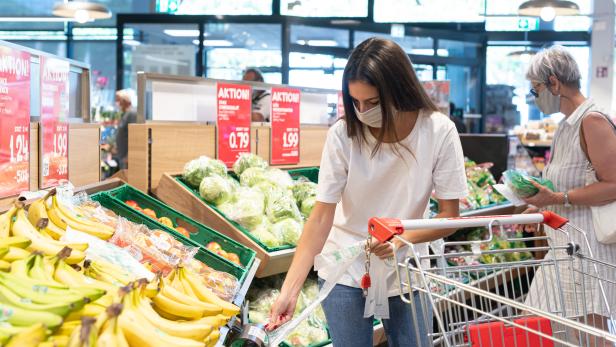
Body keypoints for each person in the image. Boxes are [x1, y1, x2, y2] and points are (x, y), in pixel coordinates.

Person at [267, 38, 468, 346]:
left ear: (398, 90)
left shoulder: (438, 131)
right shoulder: (343, 134)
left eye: (372, 103)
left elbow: (449, 216)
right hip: (346, 268)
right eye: (355, 102)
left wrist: (402, 238)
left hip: (406, 270)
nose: (362, 111)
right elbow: (321, 218)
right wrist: (289, 291)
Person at [522, 46, 616, 345]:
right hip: (565, 249)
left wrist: (557, 198)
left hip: (588, 253)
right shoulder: (567, 125)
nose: (534, 96)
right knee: (544, 328)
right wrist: (541, 207)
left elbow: (614, 183)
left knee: (588, 337)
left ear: (554, 83)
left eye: (536, 88)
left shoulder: (592, 120)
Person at [114, 89, 137, 170]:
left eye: (119, 100)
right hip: (122, 156)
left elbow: (135, 136)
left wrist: (128, 156)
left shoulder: (132, 114)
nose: (118, 103)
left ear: (126, 101)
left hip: (127, 158)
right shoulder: (125, 114)